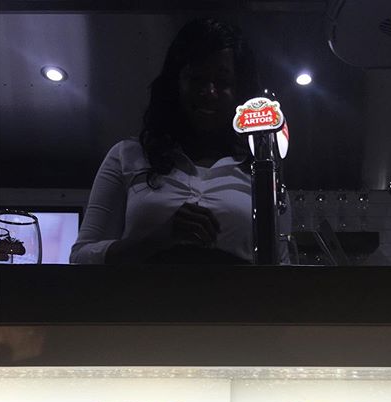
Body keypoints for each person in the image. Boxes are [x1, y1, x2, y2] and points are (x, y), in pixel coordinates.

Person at [70, 18, 291, 265]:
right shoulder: (127, 155)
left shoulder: (262, 172)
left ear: (240, 90)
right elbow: (81, 258)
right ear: (175, 84)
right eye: (197, 78)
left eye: (222, 82)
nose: (210, 92)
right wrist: (156, 240)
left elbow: (282, 270)